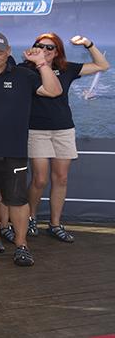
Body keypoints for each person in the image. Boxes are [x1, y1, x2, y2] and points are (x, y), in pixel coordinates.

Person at [0, 32, 62, 267]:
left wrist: (41, 63)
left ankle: (21, 245)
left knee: (17, 200)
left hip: (14, 151)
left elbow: (54, 90)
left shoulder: (25, 76)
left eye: (0, 52)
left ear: (8, 51)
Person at [24, 32, 109, 242]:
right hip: (37, 130)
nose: (44, 50)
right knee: (39, 179)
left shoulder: (66, 68)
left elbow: (102, 66)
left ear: (57, 51)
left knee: (61, 178)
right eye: (40, 46)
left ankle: (55, 223)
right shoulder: (26, 70)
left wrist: (88, 44)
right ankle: (30, 218)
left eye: (50, 47)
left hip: (63, 129)